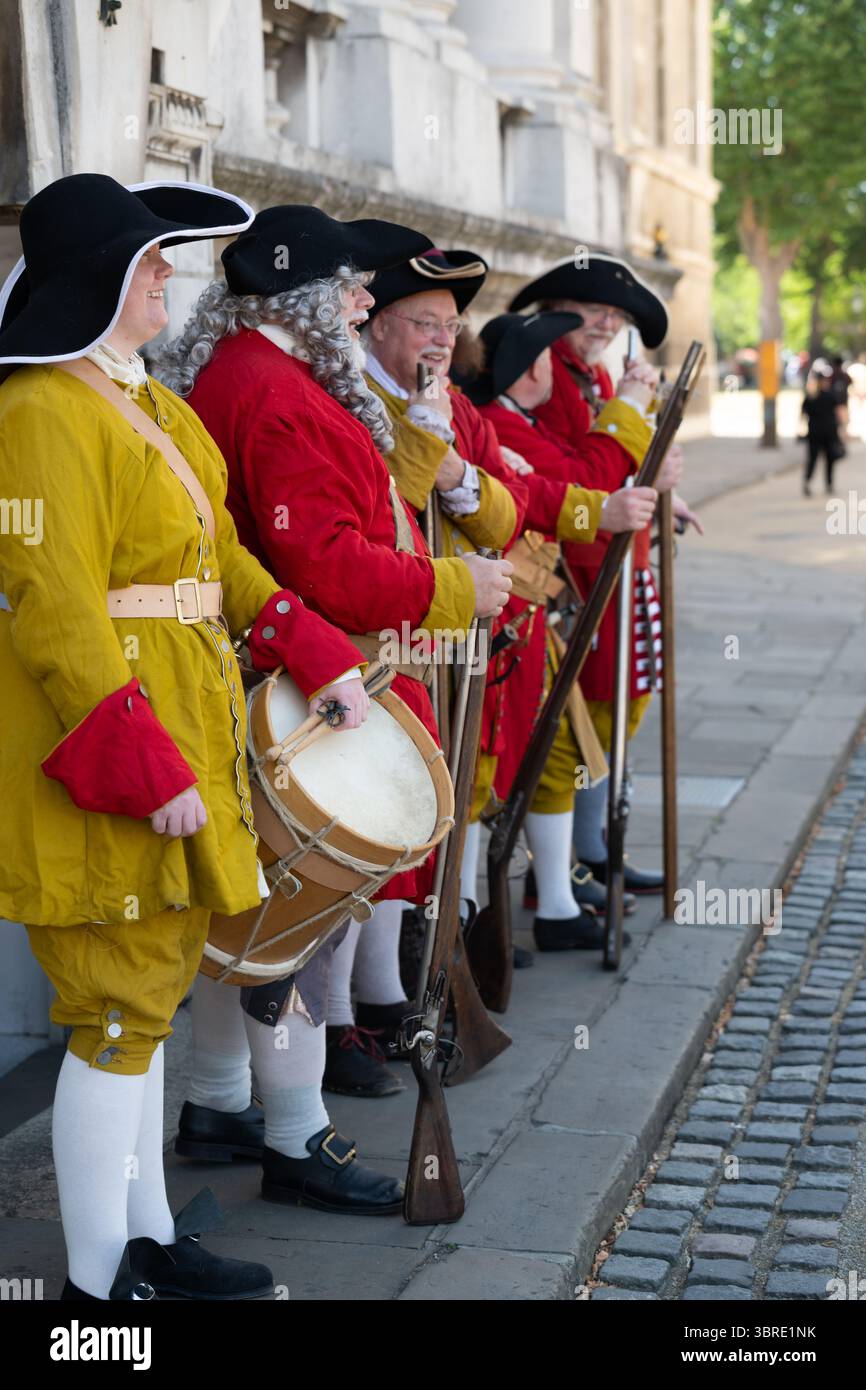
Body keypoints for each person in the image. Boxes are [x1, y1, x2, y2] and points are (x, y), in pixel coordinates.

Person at [0, 174, 376, 1298]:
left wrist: (315, 648)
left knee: (146, 1002)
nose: (167, 275)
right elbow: (54, 607)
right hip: (107, 754)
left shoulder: (139, 398)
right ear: (97, 281)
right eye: (148, 262)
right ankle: (97, 1282)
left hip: (178, 722)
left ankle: (147, 1237)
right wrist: (143, 763)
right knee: (114, 1010)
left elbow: (220, 561)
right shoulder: (36, 413)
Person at [155, 207, 512, 1144]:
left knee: (255, 915)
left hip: (294, 659)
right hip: (292, 669)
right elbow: (325, 567)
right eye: (352, 288)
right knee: (293, 924)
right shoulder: (273, 390)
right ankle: (295, 1131)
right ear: (308, 300)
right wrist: (452, 585)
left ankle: (219, 1101)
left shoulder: (265, 372)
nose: (366, 301)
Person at [466, 311, 666, 947]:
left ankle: (555, 896)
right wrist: (629, 409)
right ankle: (479, 921)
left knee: (557, 754)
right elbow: (583, 483)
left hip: (531, 616)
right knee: (489, 774)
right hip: (504, 618)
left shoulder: (513, 424)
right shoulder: (500, 425)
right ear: (532, 368)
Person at [509, 255, 700, 895]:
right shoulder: (551, 377)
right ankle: (572, 863)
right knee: (586, 716)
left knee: (627, 704)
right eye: (595, 311)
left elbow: (618, 471)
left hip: (624, 559)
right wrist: (630, 410)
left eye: (615, 316)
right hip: (582, 570)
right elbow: (581, 476)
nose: (606, 324)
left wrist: (662, 493)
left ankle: (596, 847)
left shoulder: (589, 373)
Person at [802, 367, 844, 496]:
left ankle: (808, 482)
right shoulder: (830, 395)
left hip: (815, 432)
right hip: (829, 432)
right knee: (829, 459)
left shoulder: (810, 397)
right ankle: (829, 484)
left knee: (813, 459)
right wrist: (843, 429)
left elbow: (803, 414)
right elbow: (838, 413)